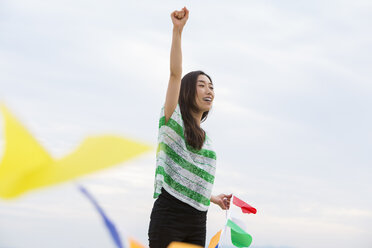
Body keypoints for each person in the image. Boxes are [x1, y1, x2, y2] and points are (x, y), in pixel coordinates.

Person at [148, 7, 232, 248]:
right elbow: (175, 74)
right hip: (169, 215)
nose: (209, 91)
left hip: (198, 219)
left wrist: (214, 199)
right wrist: (177, 31)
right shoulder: (171, 119)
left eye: (212, 86)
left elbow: (190, 179)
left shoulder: (207, 139)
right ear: (188, 91)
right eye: (202, 85)